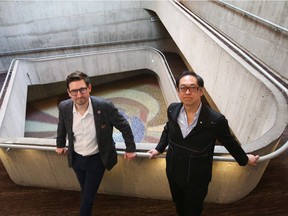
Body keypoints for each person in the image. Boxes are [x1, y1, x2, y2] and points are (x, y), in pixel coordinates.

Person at [148, 71, 260, 216]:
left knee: (194, 209)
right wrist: (159, 148)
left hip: (197, 177)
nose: (187, 92)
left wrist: (245, 159)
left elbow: (229, 142)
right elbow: (168, 129)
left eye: (192, 87)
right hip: (173, 171)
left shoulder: (215, 120)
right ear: (178, 91)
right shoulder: (173, 109)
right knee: (179, 204)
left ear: (201, 91)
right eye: (183, 88)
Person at [56, 71, 136, 216]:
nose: (79, 95)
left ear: (89, 88)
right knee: (85, 190)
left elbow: (124, 126)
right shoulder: (64, 107)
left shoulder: (105, 107)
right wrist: (60, 144)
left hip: (97, 160)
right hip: (76, 159)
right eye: (74, 91)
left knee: (88, 198)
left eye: (82, 89)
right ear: (69, 93)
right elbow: (62, 126)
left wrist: (130, 148)